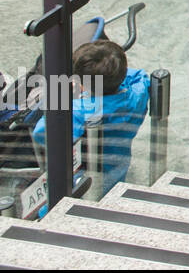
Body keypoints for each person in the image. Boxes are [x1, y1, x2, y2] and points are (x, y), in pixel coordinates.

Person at [33, 40, 150, 194]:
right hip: (118, 168)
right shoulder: (136, 97)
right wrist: (109, 73)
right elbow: (140, 75)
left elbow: (41, 133)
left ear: (80, 84)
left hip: (82, 179)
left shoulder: (78, 111)